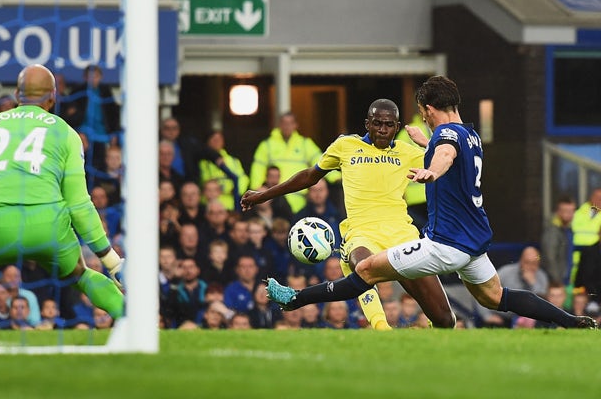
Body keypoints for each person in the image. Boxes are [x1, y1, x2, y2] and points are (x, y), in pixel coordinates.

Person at [264, 75, 598, 330]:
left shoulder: (443, 137)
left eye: (422, 112)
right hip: (473, 240)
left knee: (364, 269)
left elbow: (446, 154)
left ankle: (294, 299)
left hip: (444, 243)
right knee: (494, 298)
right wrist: (428, 148)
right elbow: (450, 149)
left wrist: (431, 172)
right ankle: (572, 321)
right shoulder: (470, 133)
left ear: (427, 109)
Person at [243, 98, 455, 330]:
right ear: (367, 124)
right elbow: (309, 176)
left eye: (388, 124)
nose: (383, 129)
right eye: (377, 123)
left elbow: (448, 161)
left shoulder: (408, 152)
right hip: (362, 234)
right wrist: (264, 195)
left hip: (403, 236)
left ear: (397, 126)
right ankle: (379, 328)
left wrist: (427, 143)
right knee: (364, 266)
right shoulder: (345, 146)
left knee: (445, 320)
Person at [0, 64, 125, 323]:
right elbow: (79, 205)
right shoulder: (66, 132)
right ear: (53, 96)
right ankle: (135, 321)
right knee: (80, 274)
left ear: (17, 95)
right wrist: (112, 261)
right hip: (46, 229)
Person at [249, 112, 328, 213]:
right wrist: (256, 191)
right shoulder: (267, 145)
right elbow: (258, 168)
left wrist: (336, 177)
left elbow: (321, 161)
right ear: (279, 125)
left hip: (300, 199)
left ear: (295, 125)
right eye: (284, 123)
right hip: (276, 199)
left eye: (290, 123)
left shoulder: (305, 143)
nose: (287, 126)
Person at [62, 64, 120, 172]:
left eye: (96, 76)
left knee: (101, 162)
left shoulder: (105, 91)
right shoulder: (77, 91)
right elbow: (69, 114)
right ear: (85, 77)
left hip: (102, 134)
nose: (93, 79)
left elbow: (113, 113)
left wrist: (113, 132)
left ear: (101, 77)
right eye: (90, 76)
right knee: (82, 162)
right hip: (83, 134)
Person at [395, 112, 430, 230]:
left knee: (419, 234)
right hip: (435, 194)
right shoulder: (438, 132)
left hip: (412, 195)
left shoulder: (406, 133)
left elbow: (397, 165)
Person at [198, 130, 248, 211]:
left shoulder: (233, 160)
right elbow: (203, 181)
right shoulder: (203, 162)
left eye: (219, 139)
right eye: (214, 139)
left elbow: (243, 179)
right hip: (209, 207)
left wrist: (237, 190)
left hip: (230, 205)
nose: (217, 142)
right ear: (208, 142)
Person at [541, 195, 576, 287]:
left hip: (567, 279)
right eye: (566, 211)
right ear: (558, 212)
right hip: (558, 282)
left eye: (572, 211)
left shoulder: (567, 229)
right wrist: (557, 281)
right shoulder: (553, 231)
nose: (569, 214)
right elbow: (550, 258)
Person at [570, 188, 601, 285]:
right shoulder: (578, 213)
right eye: (597, 197)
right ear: (591, 198)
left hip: (595, 258)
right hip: (573, 259)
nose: (599, 200)